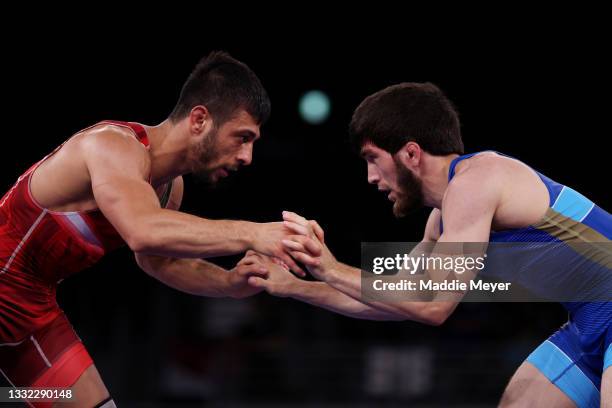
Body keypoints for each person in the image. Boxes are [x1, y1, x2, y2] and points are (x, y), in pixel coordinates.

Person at [249, 83, 611, 407]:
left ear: (410, 154)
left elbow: (435, 305)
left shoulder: (477, 182)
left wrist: (330, 267)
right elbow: (397, 301)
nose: (371, 178)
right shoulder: (441, 220)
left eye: (373, 159)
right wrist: (296, 286)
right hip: (590, 323)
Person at [0, 51, 302, 408]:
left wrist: (230, 284)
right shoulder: (111, 146)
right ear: (200, 119)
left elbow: (160, 262)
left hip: (33, 312)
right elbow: (142, 230)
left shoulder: (169, 189)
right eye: (242, 137)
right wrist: (255, 233)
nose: (247, 156)